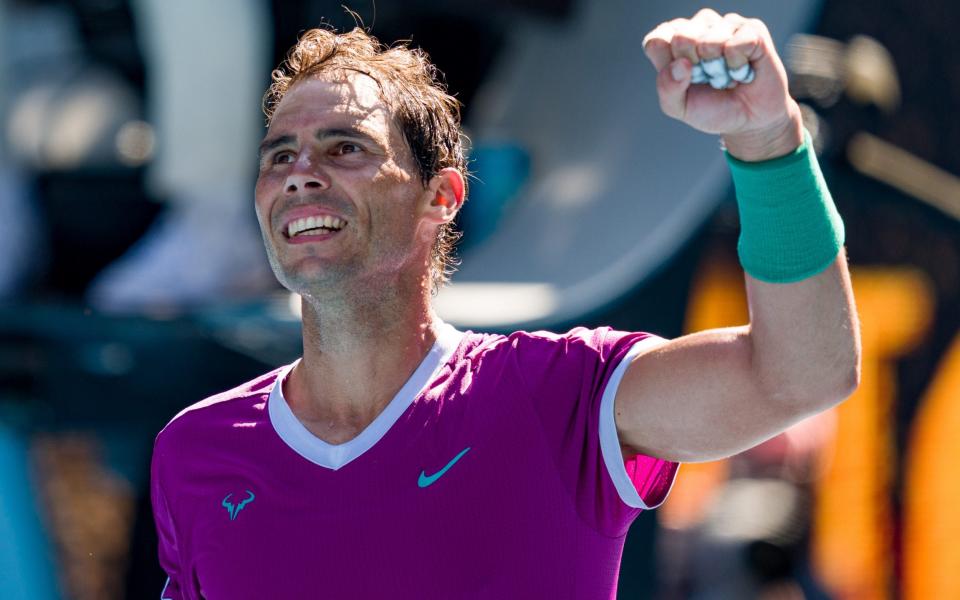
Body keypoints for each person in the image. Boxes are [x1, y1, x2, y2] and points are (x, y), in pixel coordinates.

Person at [149, 9, 860, 598]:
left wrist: (768, 142)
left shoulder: (562, 393)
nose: (301, 174)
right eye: (279, 156)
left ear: (442, 197)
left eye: (345, 149)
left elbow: (803, 374)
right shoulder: (193, 453)